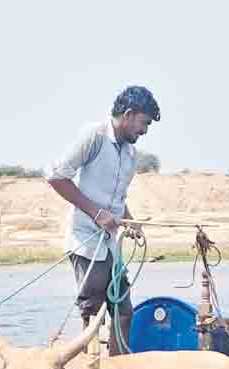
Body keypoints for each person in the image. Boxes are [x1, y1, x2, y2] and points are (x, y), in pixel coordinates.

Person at [45, 85, 160, 354]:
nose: (144, 131)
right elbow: (57, 178)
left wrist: (129, 221)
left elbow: (117, 198)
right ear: (129, 114)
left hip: (112, 244)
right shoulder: (94, 136)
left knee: (123, 311)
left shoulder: (131, 154)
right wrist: (96, 214)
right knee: (93, 310)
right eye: (144, 123)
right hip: (87, 240)